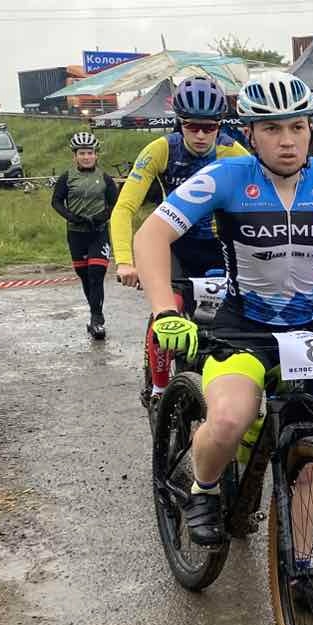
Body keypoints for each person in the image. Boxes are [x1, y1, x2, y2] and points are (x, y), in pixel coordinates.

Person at [133, 71, 313, 546]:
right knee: (229, 419)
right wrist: (165, 310)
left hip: (310, 332)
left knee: (307, 450)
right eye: (272, 128)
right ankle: (203, 488)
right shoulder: (228, 176)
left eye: (296, 127)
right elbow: (151, 236)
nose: (287, 141)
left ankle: (306, 564)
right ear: (250, 134)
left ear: (311, 129)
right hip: (243, 326)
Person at [110, 76, 248, 405]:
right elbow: (124, 208)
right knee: (169, 308)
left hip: (217, 245)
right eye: (192, 126)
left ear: (220, 126)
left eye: (209, 127)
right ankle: (159, 390)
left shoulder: (232, 151)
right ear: (179, 123)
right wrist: (125, 261)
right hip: (174, 245)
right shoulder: (161, 149)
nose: (201, 135)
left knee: (234, 313)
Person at [50, 131, 119, 340]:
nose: (86, 157)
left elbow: (115, 203)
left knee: (96, 273)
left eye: (90, 153)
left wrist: (102, 216)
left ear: (96, 155)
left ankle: (97, 320)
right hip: (76, 234)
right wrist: (71, 216)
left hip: (98, 233)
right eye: (82, 153)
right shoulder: (67, 177)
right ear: (75, 156)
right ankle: (94, 312)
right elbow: (56, 201)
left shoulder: (105, 178)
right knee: (85, 277)